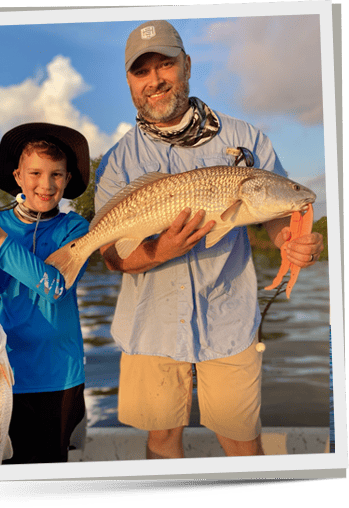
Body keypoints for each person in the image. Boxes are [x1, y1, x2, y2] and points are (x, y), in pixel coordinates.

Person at [94, 20, 324, 459]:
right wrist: (163, 250)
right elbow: (110, 255)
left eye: (166, 65)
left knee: (241, 442)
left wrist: (289, 241)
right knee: (161, 441)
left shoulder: (247, 139)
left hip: (229, 320)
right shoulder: (120, 159)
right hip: (151, 326)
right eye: (141, 72)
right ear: (129, 81)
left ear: (188, 66)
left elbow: (273, 210)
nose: (155, 80)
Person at [0, 122, 90, 464]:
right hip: (2, 376)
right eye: (35, 173)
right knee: (0, 469)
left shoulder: (75, 228)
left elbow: (55, 286)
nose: (45, 185)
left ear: (68, 179)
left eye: (57, 175)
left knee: (50, 476)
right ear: (17, 176)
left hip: (58, 376)